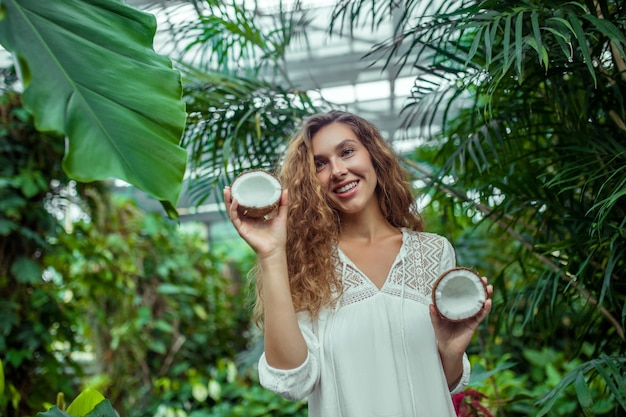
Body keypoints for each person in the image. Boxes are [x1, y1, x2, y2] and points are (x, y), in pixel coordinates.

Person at [224, 110, 493, 417]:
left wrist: (451, 351)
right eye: (320, 164)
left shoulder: (432, 252)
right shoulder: (306, 268)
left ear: (374, 156)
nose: (337, 170)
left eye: (347, 152)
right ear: (311, 181)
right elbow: (293, 380)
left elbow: (436, 382)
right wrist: (271, 255)